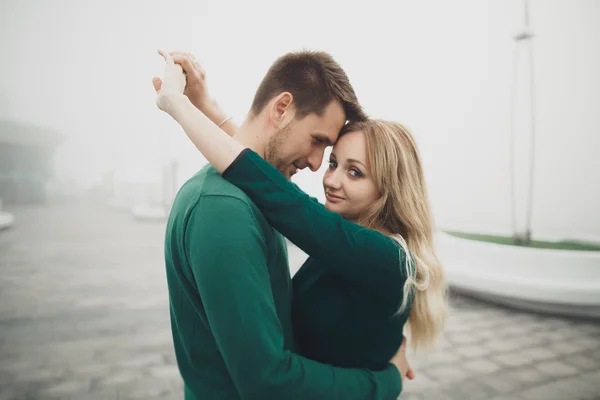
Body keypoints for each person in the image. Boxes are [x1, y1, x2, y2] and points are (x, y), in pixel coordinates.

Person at [155, 49, 413, 400]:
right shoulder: (224, 209)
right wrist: (386, 381)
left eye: (353, 171)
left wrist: (201, 106)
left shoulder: (255, 197)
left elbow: (263, 179)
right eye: (320, 143)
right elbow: (268, 382)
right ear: (281, 108)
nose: (318, 166)